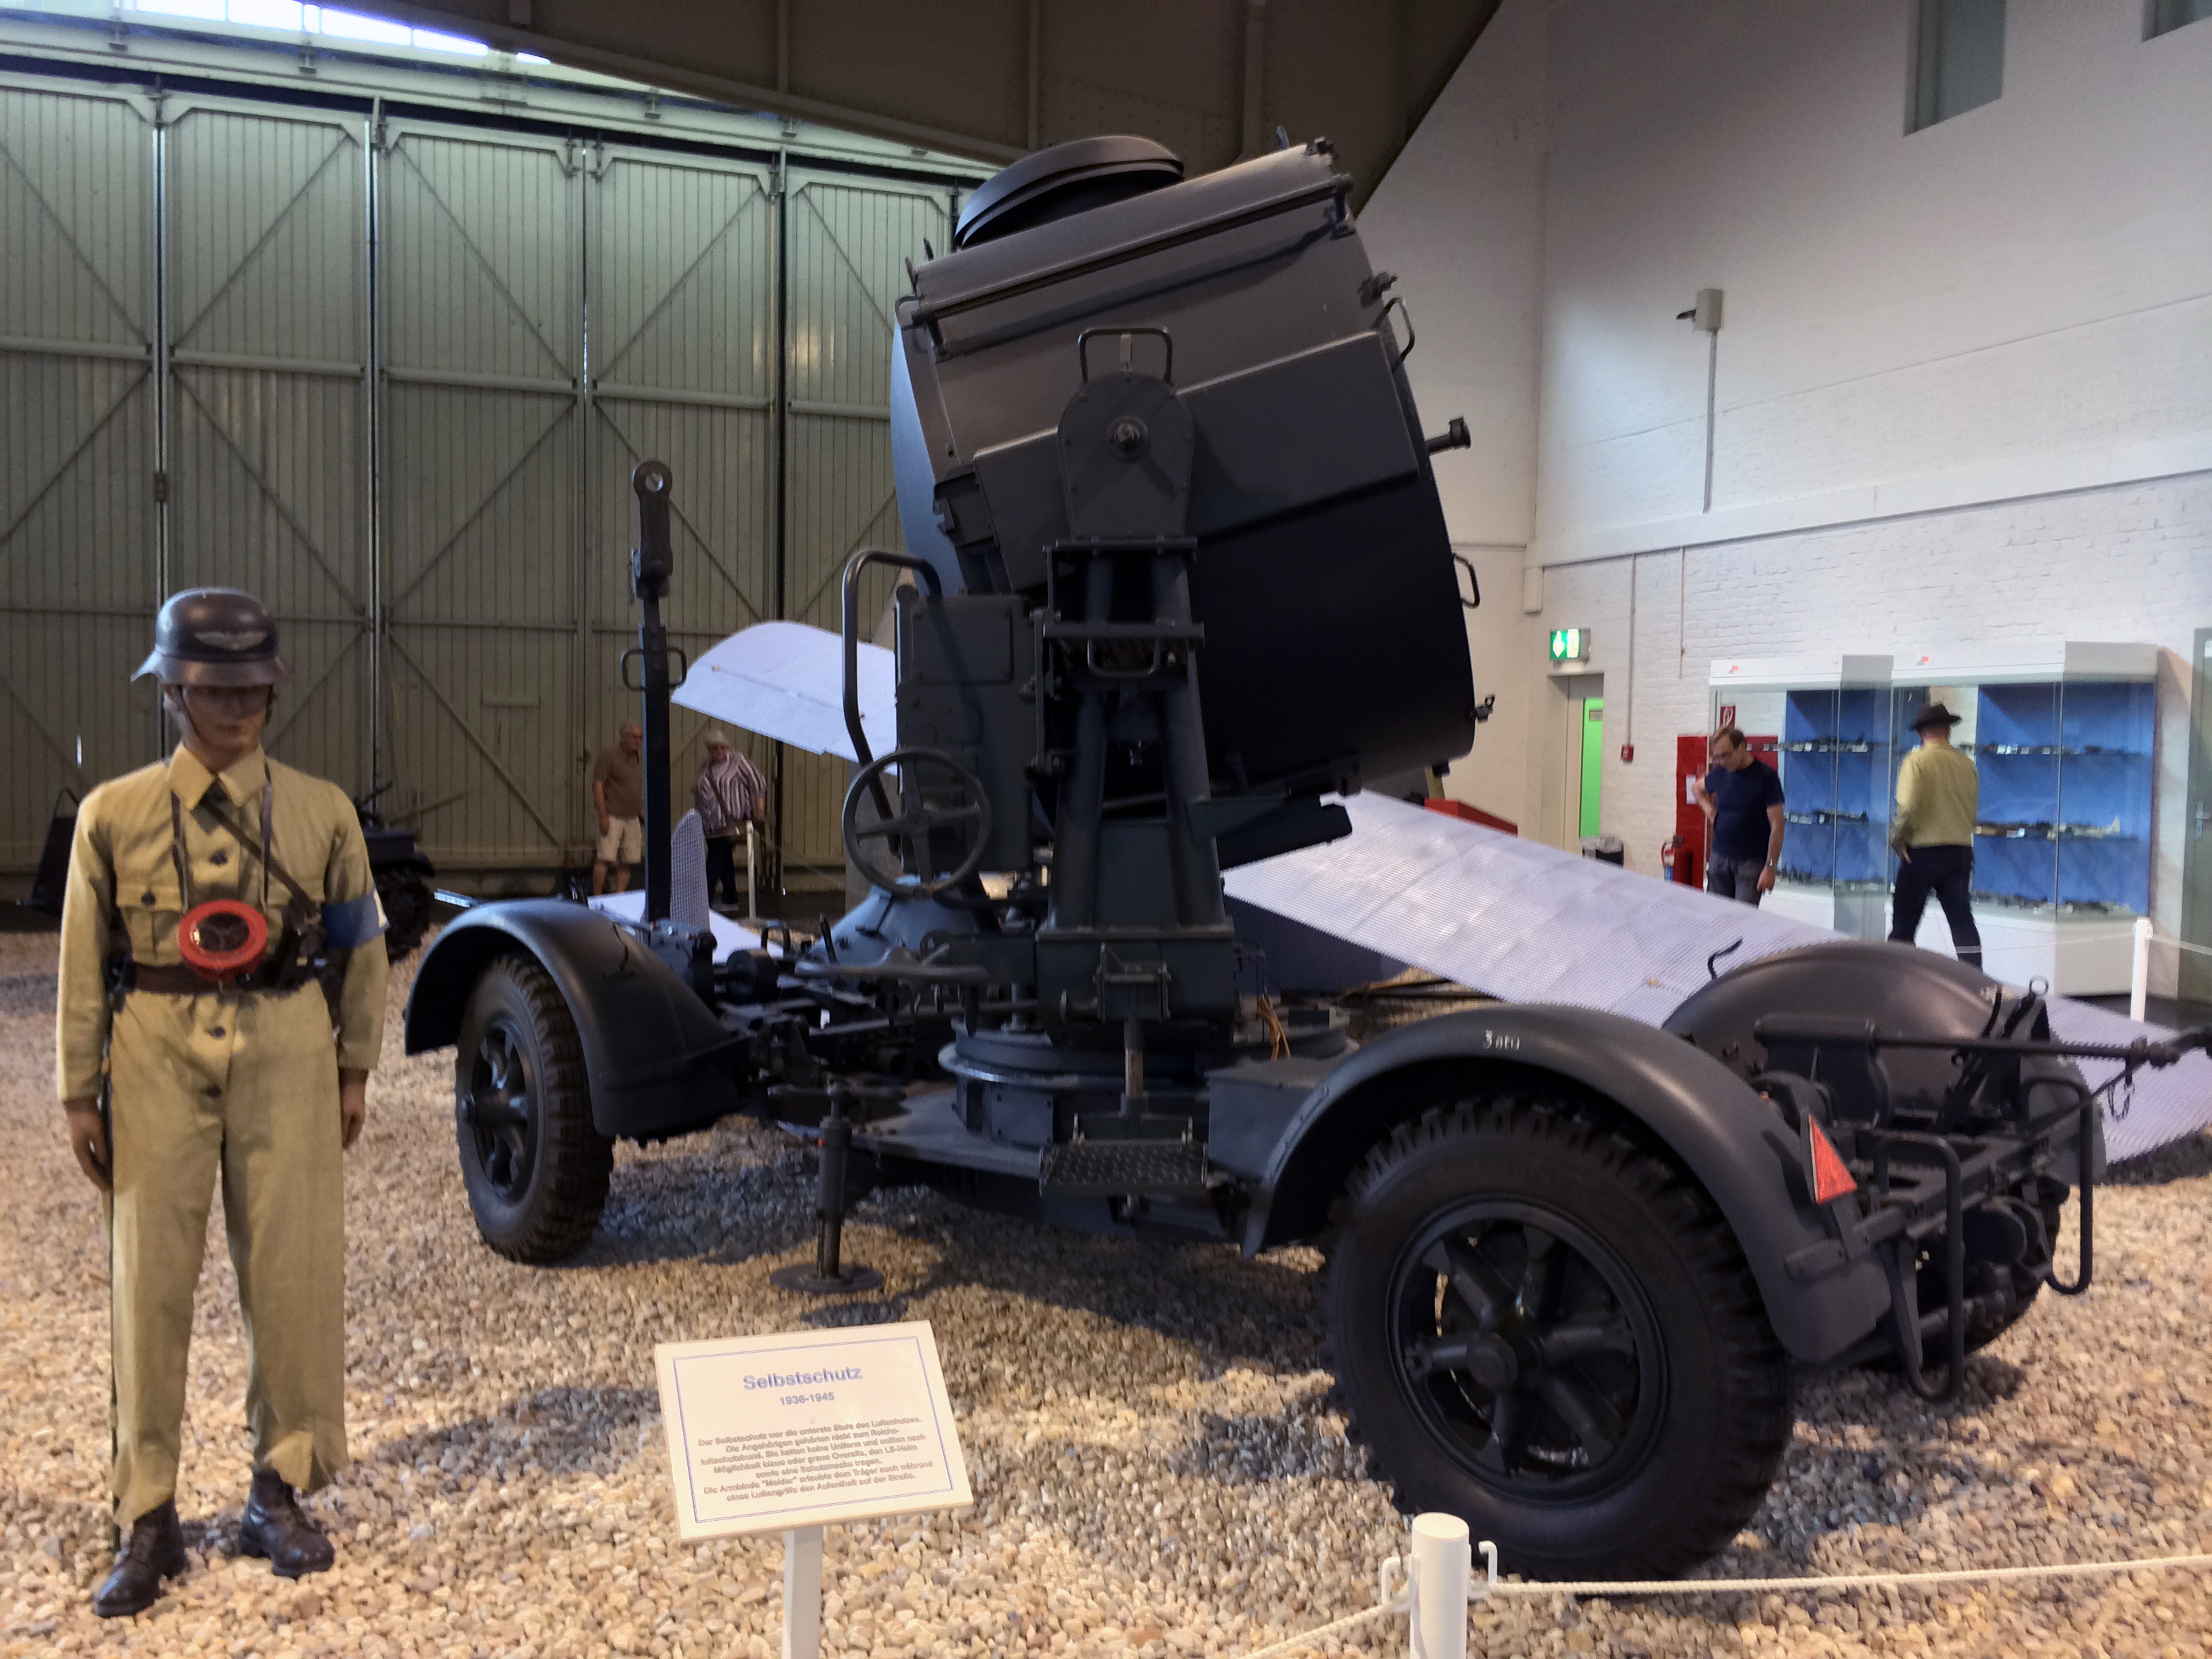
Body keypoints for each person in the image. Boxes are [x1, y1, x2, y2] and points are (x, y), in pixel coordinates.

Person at [57, 589, 388, 1618]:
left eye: (253, 688)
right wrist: (78, 1090)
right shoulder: (111, 818)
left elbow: (361, 942)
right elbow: (82, 960)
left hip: (288, 1042)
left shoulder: (324, 814)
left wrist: (355, 1064)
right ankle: (145, 1512)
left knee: (293, 1271)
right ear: (171, 692)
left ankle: (278, 1488)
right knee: (147, 1279)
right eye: (214, 689)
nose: (239, 707)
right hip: (152, 1047)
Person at [1889, 701, 1982, 968]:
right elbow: (1972, 810)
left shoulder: (1916, 761)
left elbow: (1908, 807)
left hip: (1922, 853)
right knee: (1962, 922)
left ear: (1920, 733)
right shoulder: (1966, 764)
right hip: (1959, 851)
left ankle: (1896, 978)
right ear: (1948, 730)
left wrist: (1897, 838)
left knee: (1904, 925)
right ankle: (1975, 981)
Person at [1693, 725, 1786, 904]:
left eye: (1726, 755)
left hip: (1750, 862)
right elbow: (1697, 788)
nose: (1721, 761)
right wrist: (1711, 813)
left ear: (1742, 747)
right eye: (1717, 757)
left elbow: (1778, 825)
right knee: (1715, 913)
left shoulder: (1766, 777)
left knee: (1743, 917)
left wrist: (1771, 867)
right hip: (1720, 856)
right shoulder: (1720, 773)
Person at [694, 729, 766, 909]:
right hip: (710, 825)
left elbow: (757, 783)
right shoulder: (706, 765)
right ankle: (730, 898)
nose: (719, 751)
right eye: (714, 748)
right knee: (724, 860)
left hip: (729, 823)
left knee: (714, 862)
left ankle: (703, 901)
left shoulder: (738, 761)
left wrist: (759, 810)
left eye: (722, 747)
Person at [590, 722, 645, 895]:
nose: (638, 741)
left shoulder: (636, 757)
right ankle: (597, 897)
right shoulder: (609, 755)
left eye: (640, 738)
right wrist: (603, 816)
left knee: (628, 860)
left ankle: (620, 895)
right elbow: (598, 784)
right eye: (634, 737)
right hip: (612, 815)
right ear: (623, 737)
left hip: (632, 817)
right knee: (605, 857)